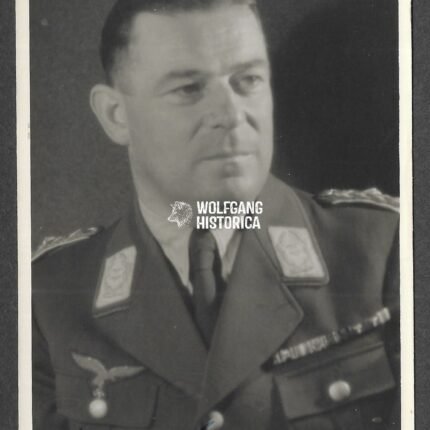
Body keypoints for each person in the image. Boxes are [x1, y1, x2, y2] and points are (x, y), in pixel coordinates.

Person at [32, 0, 400, 429]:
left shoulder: (384, 253)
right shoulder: (47, 297)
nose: (231, 115)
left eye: (248, 80)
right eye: (189, 89)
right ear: (116, 116)